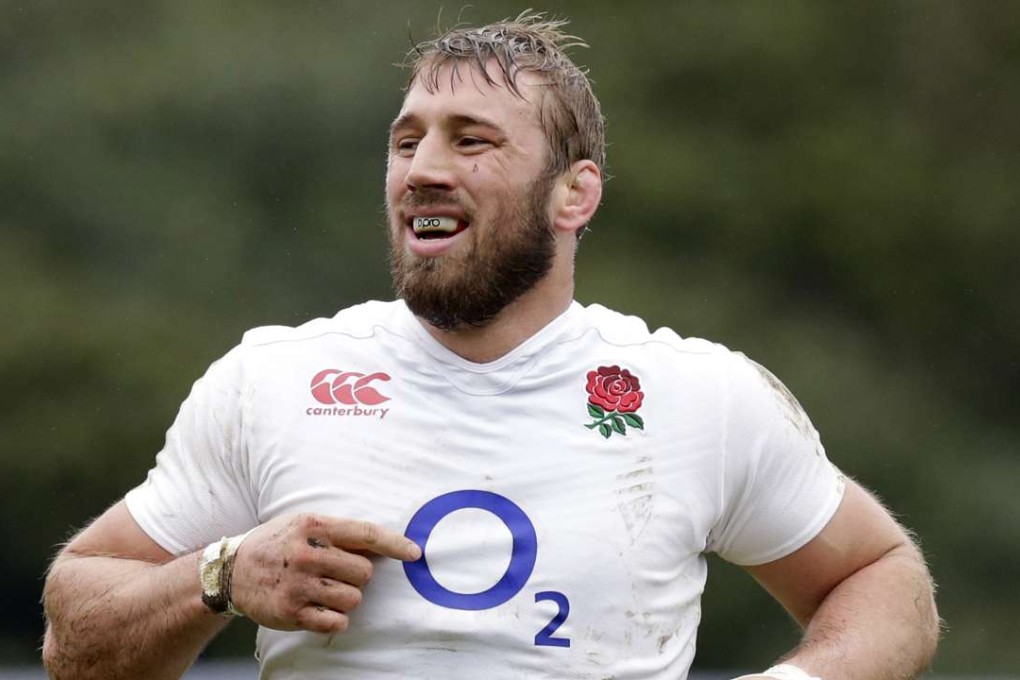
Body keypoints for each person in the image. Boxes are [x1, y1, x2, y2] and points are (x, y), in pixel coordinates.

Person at [42, 12, 939, 680]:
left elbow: (879, 574)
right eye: (406, 142)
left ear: (574, 195)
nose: (423, 168)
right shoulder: (273, 380)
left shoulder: (695, 394)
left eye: (471, 141)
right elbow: (74, 642)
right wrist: (222, 574)